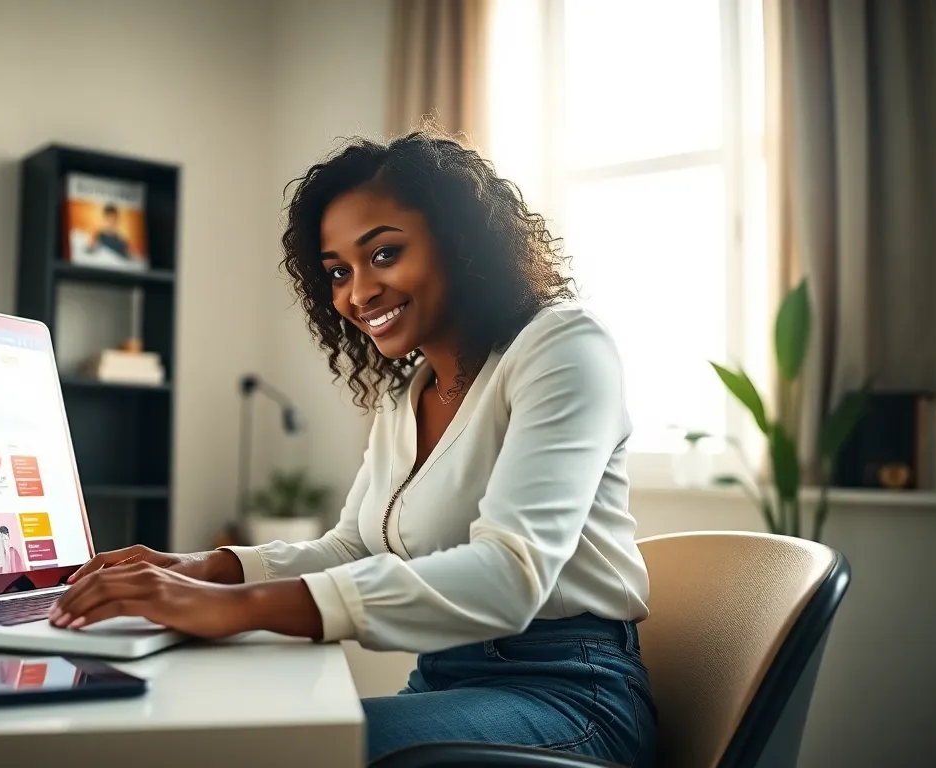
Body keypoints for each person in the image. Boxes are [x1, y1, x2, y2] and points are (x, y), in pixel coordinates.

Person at [48, 130, 657, 766]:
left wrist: (234, 607)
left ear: (461, 241)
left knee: (279, 752)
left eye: (385, 254)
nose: (358, 293)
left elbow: (510, 574)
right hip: (447, 680)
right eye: (339, 272)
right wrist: (206, 569)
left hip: (570, 695)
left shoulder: (561, 346)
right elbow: (352, 547)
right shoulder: (406, 393)